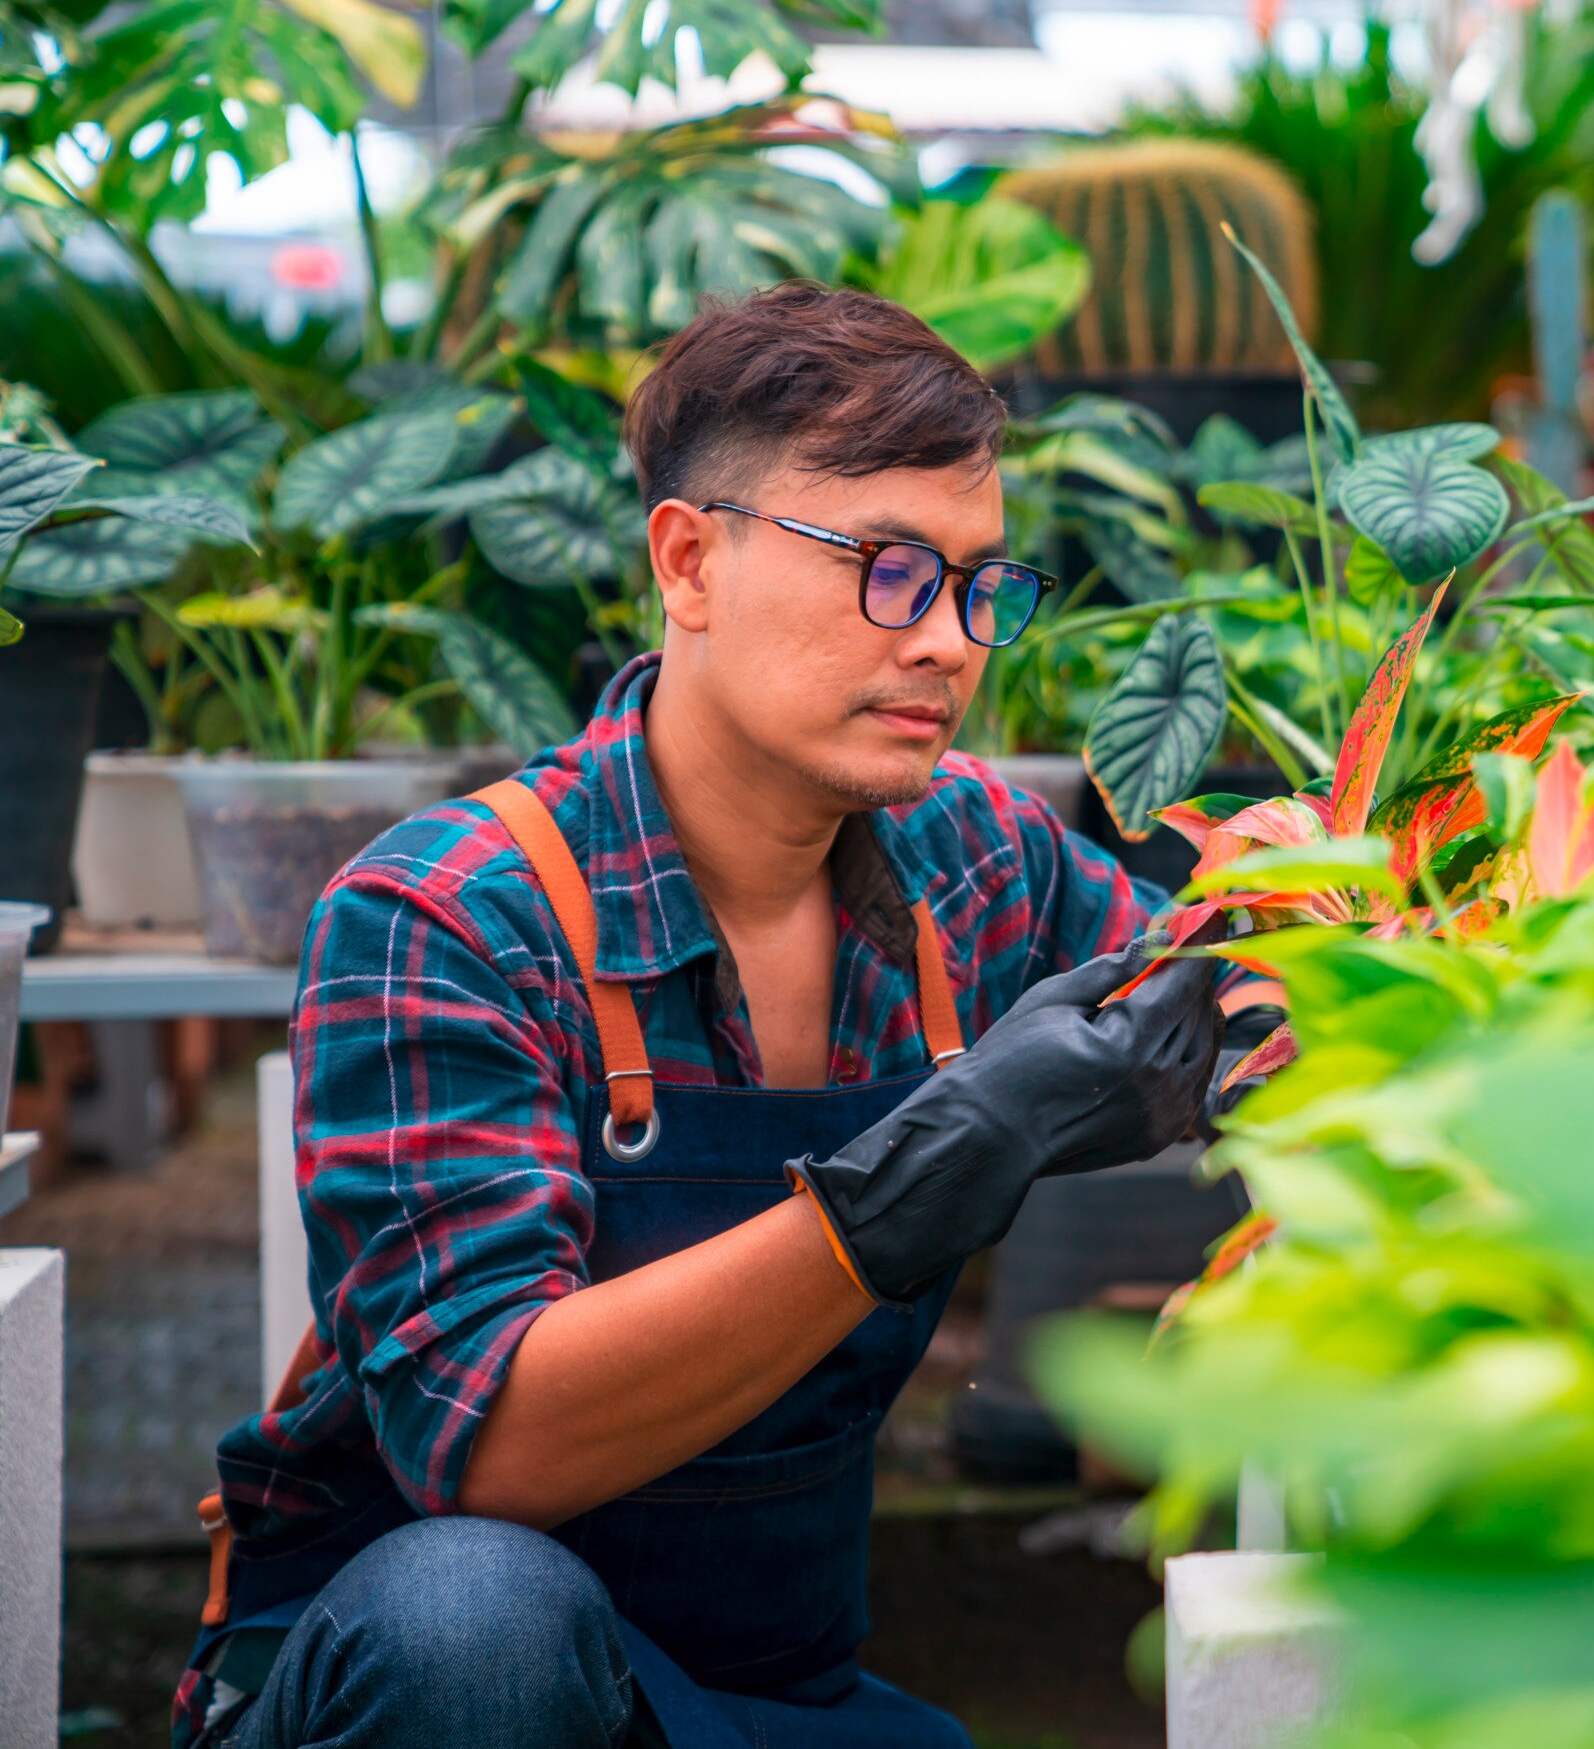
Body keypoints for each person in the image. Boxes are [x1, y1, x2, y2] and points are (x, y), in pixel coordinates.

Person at [174, 284, 1229, 1749]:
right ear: (690, 561)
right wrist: (919, 1179)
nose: (947, 642)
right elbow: (491, 1441)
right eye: (889, 568)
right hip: (435, 1687)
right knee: (480, 1616)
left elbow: (1252, 994)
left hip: (772, 1691)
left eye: (979, 583)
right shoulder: (449, 917)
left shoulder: (973, 855)